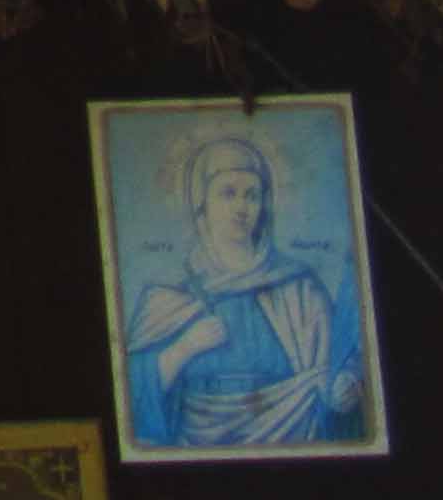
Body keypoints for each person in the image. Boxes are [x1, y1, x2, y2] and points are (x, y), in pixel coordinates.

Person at [122, 134, 373, 450]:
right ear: (202, 204)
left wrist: (346, 385)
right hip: (196, 445)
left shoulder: (298, 284)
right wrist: (184, 348)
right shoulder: (171, 291)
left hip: (294, 433)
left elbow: (344, 361)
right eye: (228, 194)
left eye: (252, 196)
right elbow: (129, 390)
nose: (241, 207)